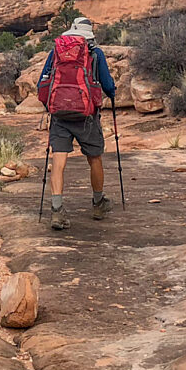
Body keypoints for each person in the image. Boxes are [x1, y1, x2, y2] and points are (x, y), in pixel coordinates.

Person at [38, 16, 116, 230]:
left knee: (59, 160)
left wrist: (51, 106)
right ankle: (98, 204)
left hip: (60, 115)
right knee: (94, 158)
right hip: (86, 116)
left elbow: (42, 83)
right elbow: (107, 84)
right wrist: (111, 93)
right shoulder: (95, 53)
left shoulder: (56, 52)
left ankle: (56, 210)